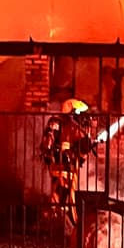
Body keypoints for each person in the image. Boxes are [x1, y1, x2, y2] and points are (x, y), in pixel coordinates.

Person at [39, 98, 97, 230]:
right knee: (66, 195)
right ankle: (64, 224)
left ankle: (54, 220)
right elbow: (82, 145)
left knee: (59, 192)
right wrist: (87, 144)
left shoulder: (55, 122)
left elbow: (47, 144)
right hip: (66, 166)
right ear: (72, 111)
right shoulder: (71, 125)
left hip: (57, 165)